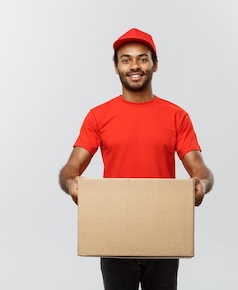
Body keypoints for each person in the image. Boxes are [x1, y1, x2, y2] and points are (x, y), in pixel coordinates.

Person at [58, 28, 214, 290]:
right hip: (115, 234)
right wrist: (71, 183)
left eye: (142, 58)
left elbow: (199, 167)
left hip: (163, 232)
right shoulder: (99, 116)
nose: (134, 66)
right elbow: (71, 167)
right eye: (126, 59)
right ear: (116, 67)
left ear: (155, 64)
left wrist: (203, 184)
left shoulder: (176, 116)